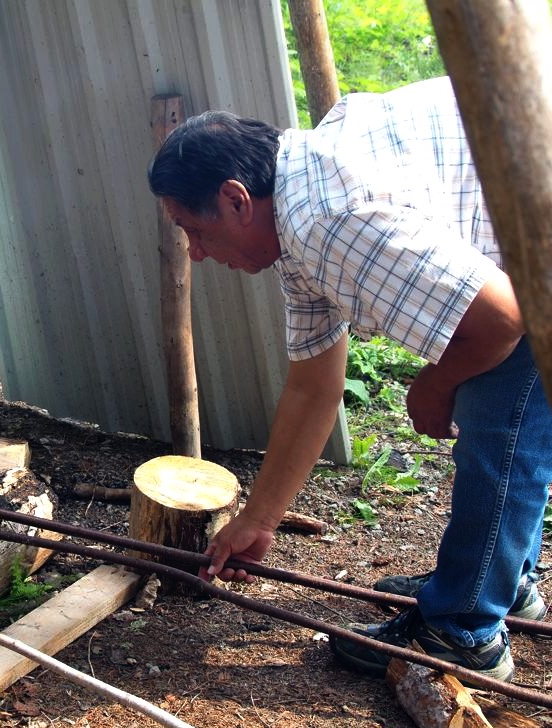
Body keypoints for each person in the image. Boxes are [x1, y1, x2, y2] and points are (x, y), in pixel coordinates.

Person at [147, 76, 551, 682]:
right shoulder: (293, 214)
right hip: (521, 206)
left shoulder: (329, 220)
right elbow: (313, 388)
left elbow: (504, 321)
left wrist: (435, 384)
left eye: (194, 230)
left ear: (236, 200)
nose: (196, 253)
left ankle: (464, 631)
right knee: (496, 397)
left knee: (501, 416)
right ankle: (501, 583)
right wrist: (259, 519)